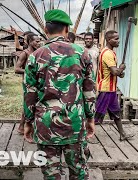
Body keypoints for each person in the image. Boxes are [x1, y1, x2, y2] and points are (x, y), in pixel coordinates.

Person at [23, 9, 96, 179]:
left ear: (46, 30)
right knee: (78, 172)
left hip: (45, 125)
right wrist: (90, 118)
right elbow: (89, 91)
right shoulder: (82, 54)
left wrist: (28, 122)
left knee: (50, 174)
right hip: (75, 124)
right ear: (67, 30)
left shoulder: (35, 57)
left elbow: (29, 94)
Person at [95, 30, 133, 141]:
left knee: (116, 113)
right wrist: (121, 69)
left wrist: (120, 72)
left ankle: (122, 134)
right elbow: (115, 72)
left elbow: (116, 73)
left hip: (111, 89)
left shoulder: (111, 52)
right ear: (108, 40)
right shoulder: (107, 54)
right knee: (97, 115)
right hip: (105, 89)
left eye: (118, 38)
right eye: (115, 39)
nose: (118, 41)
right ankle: (84, 136)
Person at [15, 33, 41, 134]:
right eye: (37, 41)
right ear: (30, 42)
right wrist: (29, 71)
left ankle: (25, 127)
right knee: (28, 105)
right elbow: (16, 69)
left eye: (39, 41)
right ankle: (22, 127)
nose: (39, 43)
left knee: (32, 105)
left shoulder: (38, 53)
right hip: (28, 83)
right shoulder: (25, 53)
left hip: (37, 83)